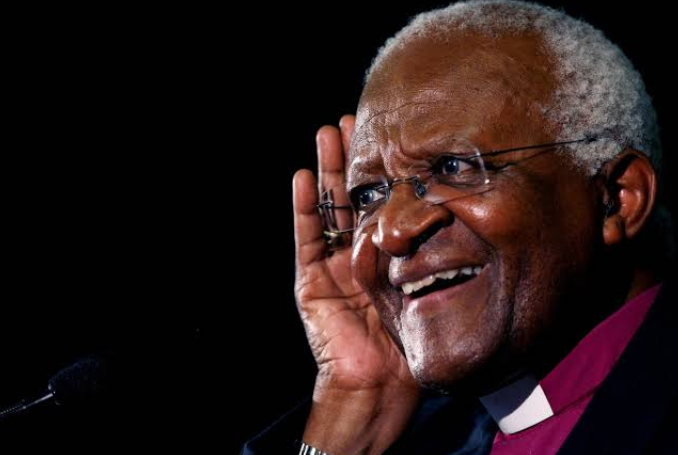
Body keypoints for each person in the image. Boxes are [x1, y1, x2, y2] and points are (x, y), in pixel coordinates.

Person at [242, 1, 677, 454]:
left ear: (617, 198)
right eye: (369, 195)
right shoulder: (428, 437)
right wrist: (353, 403)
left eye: (453, 167)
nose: (392, 232)